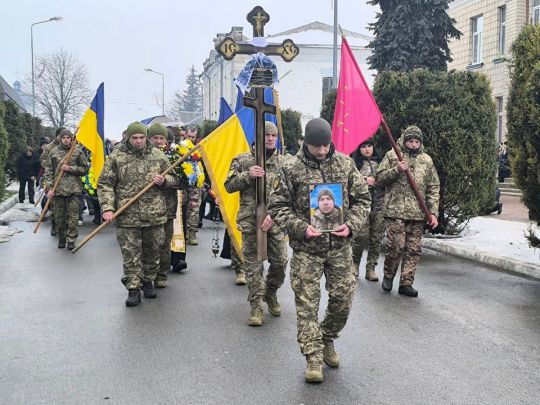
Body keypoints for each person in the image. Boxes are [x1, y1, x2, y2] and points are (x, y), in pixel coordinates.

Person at [268, 117, 371, 383]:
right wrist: (301, 227)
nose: (322, 151)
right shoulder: (290, 168)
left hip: (340, 248)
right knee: (307, 306)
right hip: (307, 250)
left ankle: (327, 338)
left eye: (326, 146)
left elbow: (363, 200)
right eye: (317, 147)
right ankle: (313, 357)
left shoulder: (345, 164)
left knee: (343, 300)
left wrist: (351, 225)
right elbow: (277, 207)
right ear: (306, 143)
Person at [98, 122, 175, 307]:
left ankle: (148, 281)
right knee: (130, 254)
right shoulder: (116, 157)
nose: (138, 141)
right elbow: (105, 184)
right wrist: (107, 208)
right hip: (127, 215)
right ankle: (133, 289)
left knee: (153, 251)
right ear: (128, 138)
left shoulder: (158, 156)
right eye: (135, 138)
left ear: (146, 137)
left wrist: (165, 180)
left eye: (141, 137)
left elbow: (176, 179)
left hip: (154, 215)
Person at [225, 121, 289, 326]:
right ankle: (255, 307)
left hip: (275, 221)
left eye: (273, 135)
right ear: (258, 136)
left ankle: (270, 293)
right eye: (266, 135)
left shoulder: (285, 162)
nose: (270, 139)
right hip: (251, 221)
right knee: (253, 266)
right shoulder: (243, 160)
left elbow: (292, 192)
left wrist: (276, 215)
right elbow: (228, 185)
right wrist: (247, 175)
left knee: (280, 262)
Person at [375, 126, 440, 298]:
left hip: (417, 213)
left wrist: (433, 212)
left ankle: (406, 283)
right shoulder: (392, 155)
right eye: (410, 141)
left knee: (413, 250)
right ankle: (389, 275)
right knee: (395, 247)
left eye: (417, 141)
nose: (414, 144)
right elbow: (379, 179)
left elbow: (433, 187)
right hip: (395, 211)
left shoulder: (426, 160)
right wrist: (396, 169)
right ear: (405, 141)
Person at [148, 123, 182, 288]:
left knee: (164, 243)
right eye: (155, 138)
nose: (158, 141)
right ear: (149, 139)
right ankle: (147, 275)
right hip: (146, 209)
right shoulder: (142, 155)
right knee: (149, 244)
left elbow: (180, 180)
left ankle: (161, 274)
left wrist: (165, 181)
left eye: (162, 138)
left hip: (167, 207)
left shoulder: (174, 156)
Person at [44, 129, 88, 250]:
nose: (66, 140)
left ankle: (71, 239)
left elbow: (85, 169)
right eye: (63, 138)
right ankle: (62, 237)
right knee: (59, 217)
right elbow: (48, 171)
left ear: (71, 138)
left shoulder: (77, 152)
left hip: (74, 190)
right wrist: (50, 187)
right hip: (58, 190)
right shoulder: (53, 152)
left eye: (68, 137)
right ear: (60, 138)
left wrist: (70, 168)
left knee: (73, 217)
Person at [350, 139, 385, 281]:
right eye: (363, 146)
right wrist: (364, 179)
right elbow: (350, 181)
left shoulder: (381, 164)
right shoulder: (355, 164)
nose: (367, 149)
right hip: (362, 206)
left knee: (376, 239)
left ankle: (371, 269)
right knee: (360, 237)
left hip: (379, 205)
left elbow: (387, 178)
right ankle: (354, 265)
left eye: (369, 146)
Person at [185, 126, 202, 245]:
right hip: (181, 183)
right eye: (189, 136)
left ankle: (192, 232)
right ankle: (182, 232)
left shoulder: (199, 149)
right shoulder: (177, 147)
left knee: (194, 208)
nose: (191, 139)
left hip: (195, 184)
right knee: (181, 208)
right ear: (185, 135)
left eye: (193, 137)